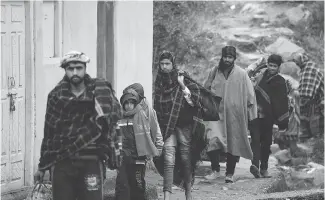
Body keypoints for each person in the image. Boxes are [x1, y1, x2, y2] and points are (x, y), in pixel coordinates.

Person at [33, 51, 122, 200]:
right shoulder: (56, 96)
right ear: (65, 70)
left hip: (91, 160)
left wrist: (112, 152)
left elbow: (113, 120)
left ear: (85, 68)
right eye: (70, 68)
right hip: (63, 161)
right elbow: (49, 133)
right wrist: (42, 167)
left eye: (79, 68)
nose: (75, 72)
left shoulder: (99, 92)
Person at [154, 51, 208, 200]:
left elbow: (194, 101)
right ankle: (167, 195)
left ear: (173, 64)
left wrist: (182, 85)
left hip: (184, 125)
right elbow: (157, 107)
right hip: (167, 127)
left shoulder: (182, 77)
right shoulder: (158, 82)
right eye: (162, 64)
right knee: (168, 159)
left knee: (185, 158)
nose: (164, 67)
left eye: (167, 64)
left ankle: (188, 192)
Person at [204, 45, 257, 183]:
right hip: (216, 113)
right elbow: (206, 88)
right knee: (212, 139)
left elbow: (250, 95)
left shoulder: (242, 74)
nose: (227, 60)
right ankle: (215, 170)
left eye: (230, 57)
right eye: (225, 57)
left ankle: (229, 173)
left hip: (235, 115)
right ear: (221, 57)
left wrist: (251, 115)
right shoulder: (214, 71)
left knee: (233, 142)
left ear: (234, 58)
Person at [115, 83, 164, 200]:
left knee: (138, 184)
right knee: (122, 184)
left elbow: (153, 131)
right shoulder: (118, 117)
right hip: (123, 157)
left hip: (139, 157)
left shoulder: (144, 113)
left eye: (132, 103)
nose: (128, 106)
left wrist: (157, 148)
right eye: (126, 103)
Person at [247, 54, 289, 178]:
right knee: (255, 140)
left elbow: (281, 102)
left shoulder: (280, 81)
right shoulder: (260, 76)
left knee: (266, 143)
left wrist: (282, 123)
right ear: (267, 64)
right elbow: (251, 89)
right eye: (270, 65)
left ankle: (264, 168)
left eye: (274, 66)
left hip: (268, 117)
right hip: (255, 114)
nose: (271, 68)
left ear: (278, 67)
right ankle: (254, 165)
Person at [289, 52, 324, 140]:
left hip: (316, 105)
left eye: (296, 61)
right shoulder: (306, 68)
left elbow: (306, 95)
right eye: (294, 61)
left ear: (301, 59)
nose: (296, 63)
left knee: (315, 129)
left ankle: (314, 142)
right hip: (313, 104)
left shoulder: (309, 68)